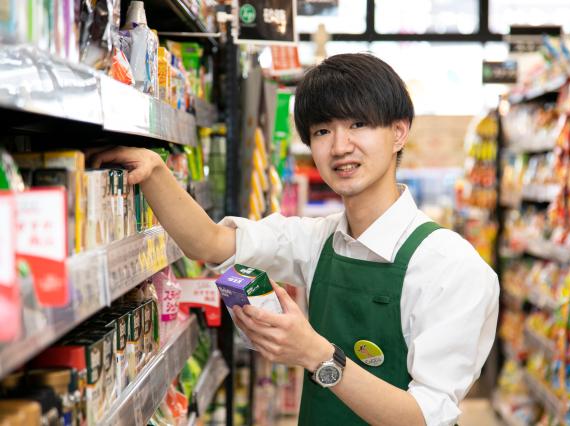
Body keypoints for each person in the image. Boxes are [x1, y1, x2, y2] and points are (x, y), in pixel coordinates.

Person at [92, 53, 499, 426]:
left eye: (359, 124)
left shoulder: (450, 266)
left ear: (399, 132)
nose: (341, 146)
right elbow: (210, 244)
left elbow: (424, 418)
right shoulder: (317, 240)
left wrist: (316, 354)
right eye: (323, 130)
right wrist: (154, 170)